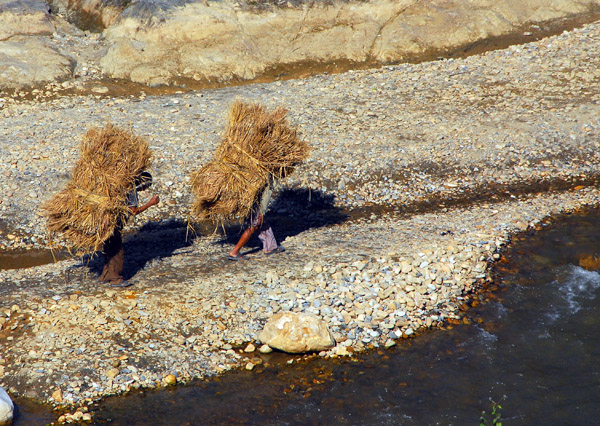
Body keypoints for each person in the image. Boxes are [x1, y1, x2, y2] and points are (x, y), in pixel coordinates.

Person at [100, 171, 159, 286]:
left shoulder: (122, 186)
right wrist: (150, 203)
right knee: (117, 252)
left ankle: (105, 276)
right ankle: (116, 280)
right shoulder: (131, 189)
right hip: (113, 224)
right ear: (142, 182)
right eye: (147, 185)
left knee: (109, 249)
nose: (145, 189)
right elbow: (133, 211)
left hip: (105, 223)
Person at [228, 181, 285, 260]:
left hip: (249, 204)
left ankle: (271, 247)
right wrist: (262, 213)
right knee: (254, 227)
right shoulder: (270, 179)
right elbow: (265, 197)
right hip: (256, 206)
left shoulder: (256, 177)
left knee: (263, 224)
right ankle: (235, 251)